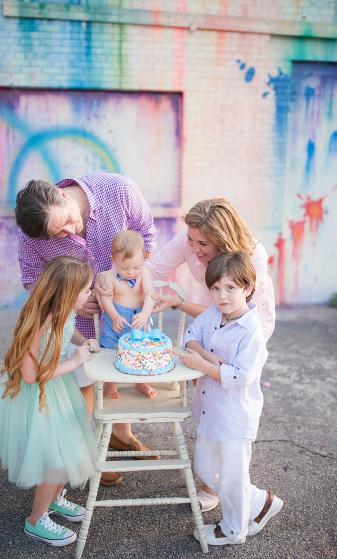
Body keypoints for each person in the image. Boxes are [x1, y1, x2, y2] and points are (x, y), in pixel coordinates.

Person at [97, 197, 277, 509]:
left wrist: (205, 352)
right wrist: (108, 276)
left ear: (223, 240)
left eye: (202, 243)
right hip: (214, 320)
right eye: (190, 240)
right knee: (207, 403)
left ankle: (234, 491)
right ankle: (215, 480)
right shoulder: (191, 239)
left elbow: (239, 312)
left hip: (246, 328)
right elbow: (144, 269)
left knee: (228, 410)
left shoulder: (252, 257)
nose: (193, 249)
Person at [15, 175, 159, 479]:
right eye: (59, 234)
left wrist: (127, 286)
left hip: (128, 312)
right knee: (85, 384)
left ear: (61, 195)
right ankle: (87, 455)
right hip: (78, 319)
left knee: (124, 370)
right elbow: (31, 278)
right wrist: (73, 300)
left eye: (67, 221)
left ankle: (121, 435)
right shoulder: (31, 232)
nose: (70, 231)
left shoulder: (120, 190)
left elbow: (147, 237)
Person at [0, 256, 100, 547]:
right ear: (68, 294)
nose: (91, 294)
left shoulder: (63, 312)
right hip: (39, 397)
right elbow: (30, 376)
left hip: (58, 389)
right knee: (55, 460)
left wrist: (81, 342)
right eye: (87, 290)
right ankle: (36, 521)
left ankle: (55, 499)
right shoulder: (38, 323)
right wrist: (74, 362)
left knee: (72, 448)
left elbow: (68, 329)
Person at [174, 252, 283, 546]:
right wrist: (209, 357)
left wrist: (203, 365)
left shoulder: (252, 332)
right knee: (205, 468)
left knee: (233, 476)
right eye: (216, 288)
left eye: (231, 288)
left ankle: (235, 529)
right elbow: (191, 337)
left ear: (248, 288)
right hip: (211, 408)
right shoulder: (212, 313)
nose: (222, 296)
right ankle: (261, 501)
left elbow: (239, 376)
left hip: (236, 415)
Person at [96, 230, 158, 400]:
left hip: (139, 320)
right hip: (116, 320)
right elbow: (106, 299)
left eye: (136, 267)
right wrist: (115, 316)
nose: (131, 272)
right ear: (113, 260)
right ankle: (110, 382)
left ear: (143, 261)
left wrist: (145, 314)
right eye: (124, 268)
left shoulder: (144, 273)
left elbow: (150, 295)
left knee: (141, 350)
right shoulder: (109, 276)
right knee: (109, 348)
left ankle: (141, 381)